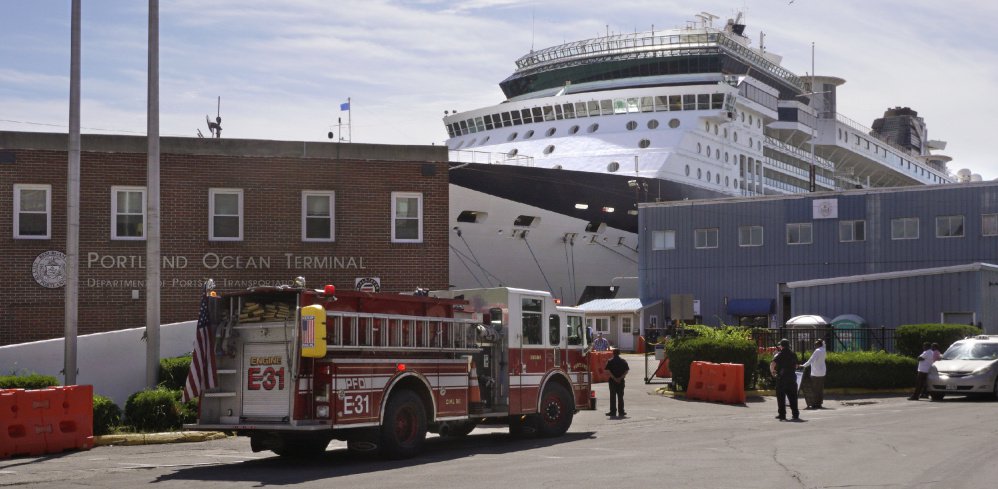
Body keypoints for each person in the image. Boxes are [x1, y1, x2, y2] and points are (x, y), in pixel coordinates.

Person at [770, 338, 801, 421]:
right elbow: (797, 366)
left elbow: (773, 363)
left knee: (781, 398)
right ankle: (795, 414)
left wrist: (773, 372)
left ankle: (782, 415)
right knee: (793, 397)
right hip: (792, 378)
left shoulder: (779, 354)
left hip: (782, 379)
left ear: (781, 346)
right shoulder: (793, 354)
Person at [802, 339, 826, 409]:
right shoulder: (823, 349)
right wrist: (821, 341)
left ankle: (815, 404)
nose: (815, 345)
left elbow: (811, 360)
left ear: (818, 345)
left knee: (815, 389)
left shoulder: (817, 351)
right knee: (820, 389)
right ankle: (819, 403)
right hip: (822, 372)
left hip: (816, 373)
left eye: (816, 344)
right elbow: (824, 344)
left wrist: (803, 366)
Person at [605, 347, 629, 417]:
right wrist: (620, 378)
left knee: (612, 397)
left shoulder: (610, 361)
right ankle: (621, 411)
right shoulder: (623, 361)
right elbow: (626, 371)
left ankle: (613, 412)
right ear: (619, 353)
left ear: (613, 353)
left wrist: (614, 378)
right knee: (620, 396)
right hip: (621, 381)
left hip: (612, 381)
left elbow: (608, 371)